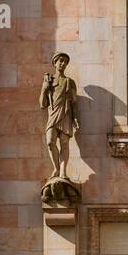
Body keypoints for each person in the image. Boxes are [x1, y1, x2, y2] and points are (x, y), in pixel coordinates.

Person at [39, 52, 79, 180]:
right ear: (55, 63)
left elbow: (74, 103)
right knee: (50, 142)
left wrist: (75, 118)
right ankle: (56, 167)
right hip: (53, 114)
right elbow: (42, 104)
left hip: (66, 114)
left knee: (64, 143)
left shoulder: (69, 82)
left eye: (65, 62)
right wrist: (44, 89)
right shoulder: (49, 81)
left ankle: (62, 171)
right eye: (60, 60)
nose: (63, 63)